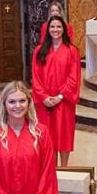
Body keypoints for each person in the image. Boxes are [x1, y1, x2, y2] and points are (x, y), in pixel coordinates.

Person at [31, 16, 80, 167]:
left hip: (64, 101)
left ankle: (64, 168)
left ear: (64, 29)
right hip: (44, 102)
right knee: (47, 136)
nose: (55, 30)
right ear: (48, 29)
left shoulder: (71, 51)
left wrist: (60, 96)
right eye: (52, 27)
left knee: (64, 135)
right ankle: (50, 169)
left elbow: (74, 77)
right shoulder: (40, 51)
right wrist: (44, 96)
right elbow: (35, 76)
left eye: (59, 27)